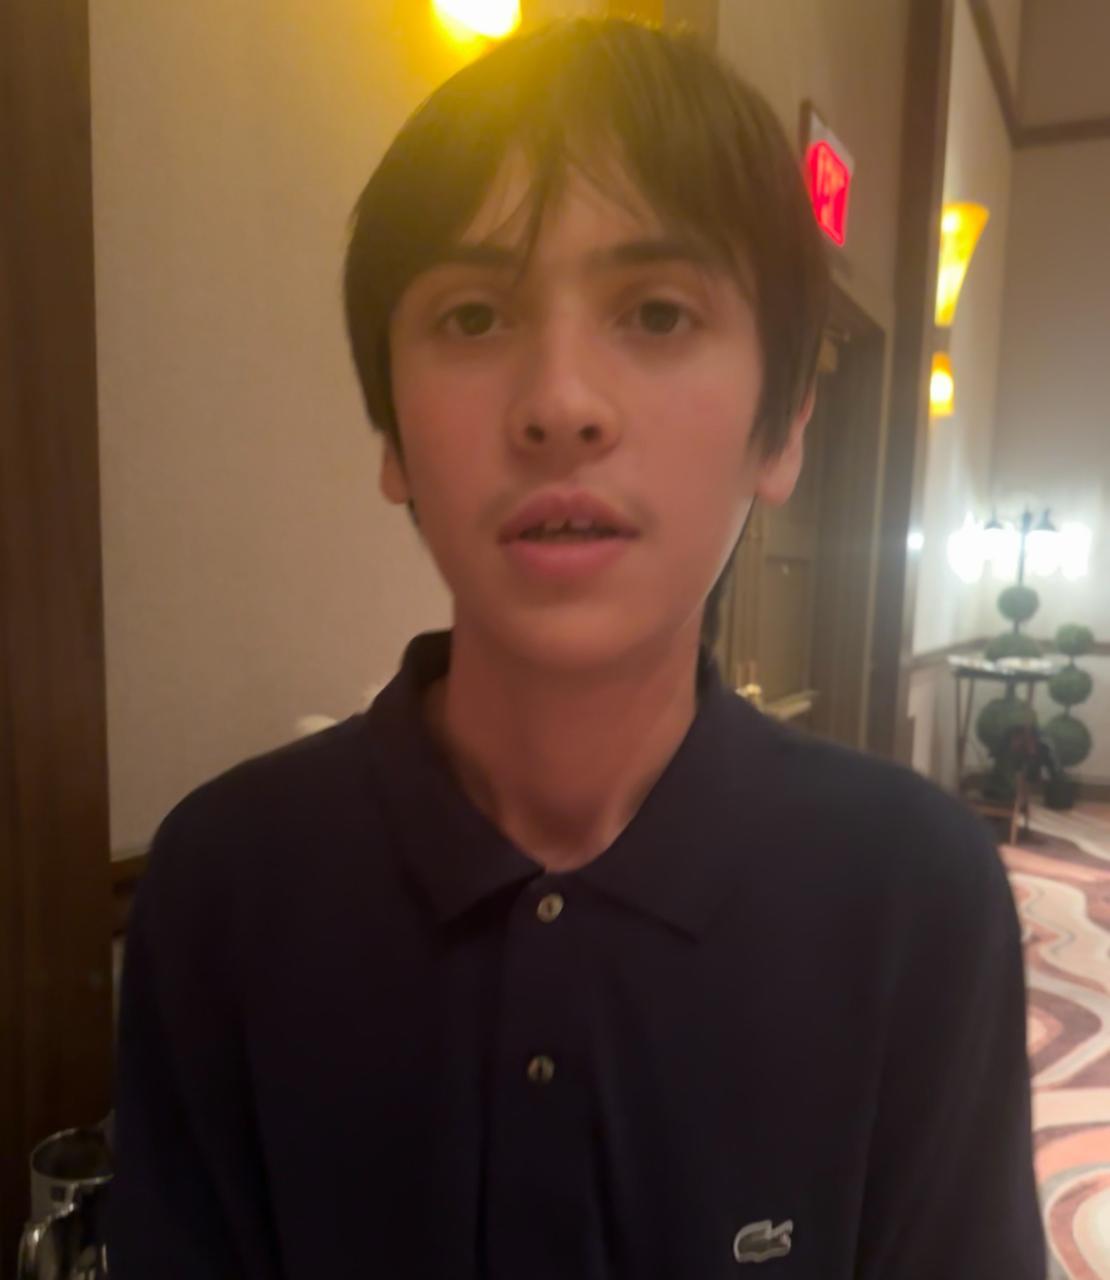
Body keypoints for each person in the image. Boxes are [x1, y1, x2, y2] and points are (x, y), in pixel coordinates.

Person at [107, 17, 1046, 1278]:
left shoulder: (914, 896)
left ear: (783, 429)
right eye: (474, 314)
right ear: (392, 435)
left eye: (656, 311)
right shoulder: (225, 883)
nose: (559, 402)